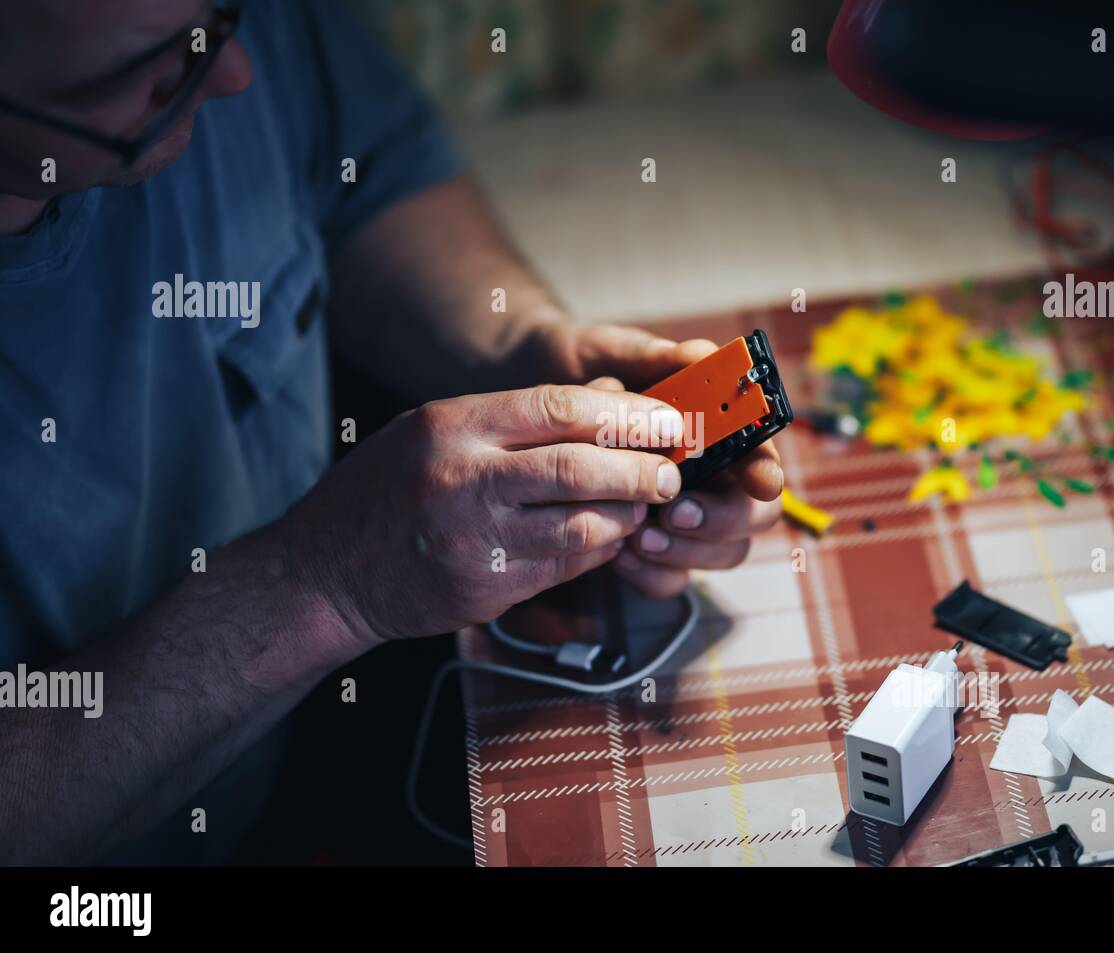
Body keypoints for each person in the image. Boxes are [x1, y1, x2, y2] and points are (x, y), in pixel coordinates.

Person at [0, 0, 783, 864]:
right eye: (152, 68)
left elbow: (368, 178)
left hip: (345, 716)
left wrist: (527, 351)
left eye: (229, 17)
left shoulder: (200, 37)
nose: (234, 75)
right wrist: (324, 584)